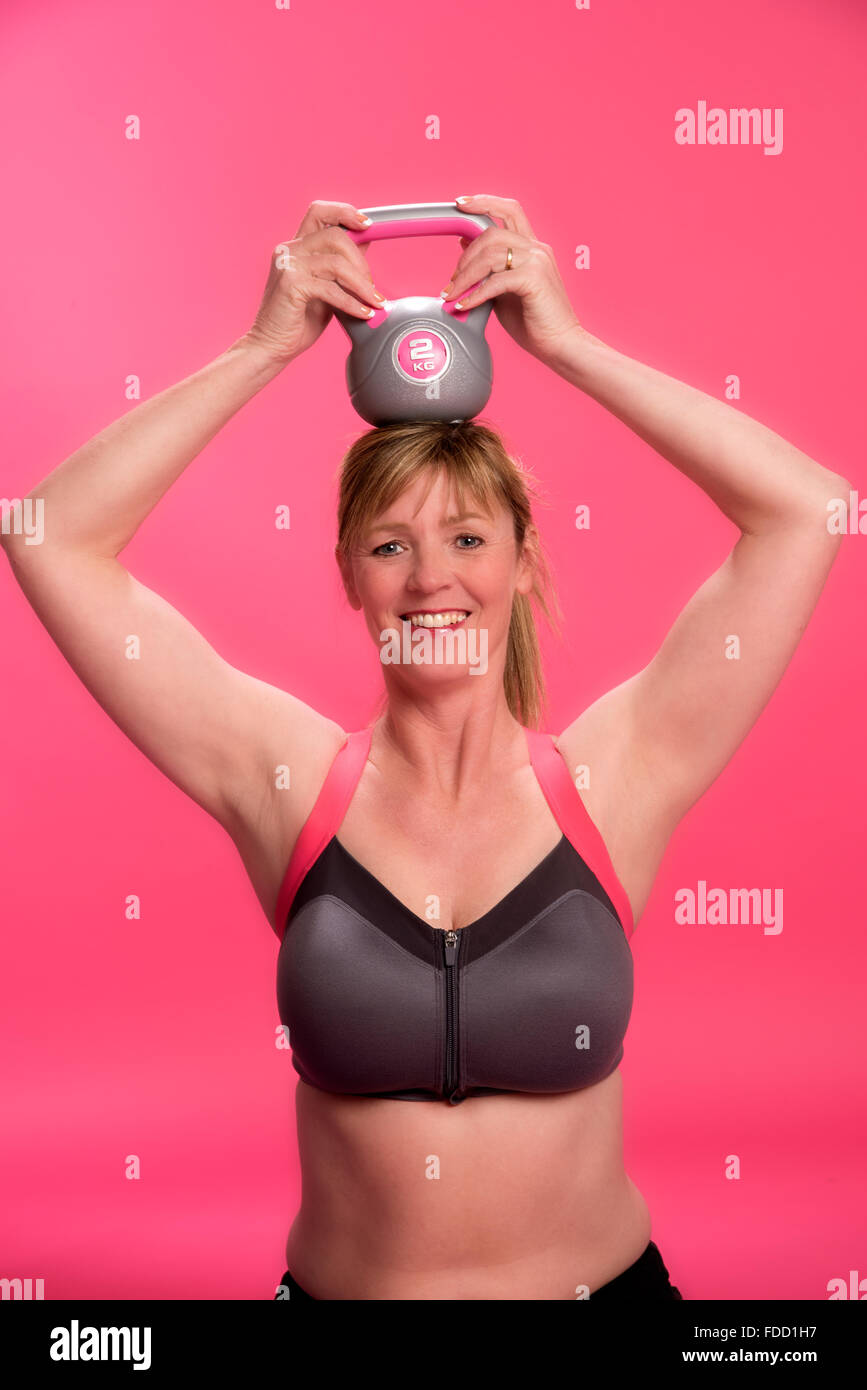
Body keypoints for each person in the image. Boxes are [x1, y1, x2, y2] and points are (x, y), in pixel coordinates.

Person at [2, 196, 848, 1302]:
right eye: (391, 544)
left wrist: (569, 346)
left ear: (522, 559)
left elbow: (808, 510)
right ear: (348, 572)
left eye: (467, 538)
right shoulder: (291, 781)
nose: (432, 578)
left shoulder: (611, 778)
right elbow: (47, 533)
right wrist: (266, 349)